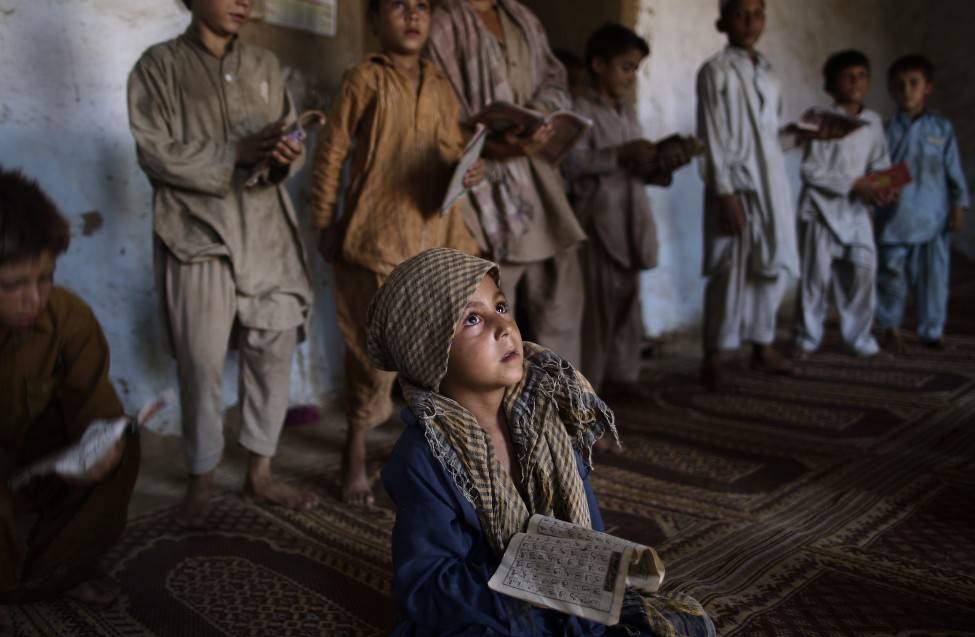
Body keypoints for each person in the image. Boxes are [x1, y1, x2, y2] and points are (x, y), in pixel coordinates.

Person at [370, 247, 715, 637]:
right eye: (472, 319)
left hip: (557, 591)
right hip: (486, 606)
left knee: (677, 622)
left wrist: (588, 582)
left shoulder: (545, 415)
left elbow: (588, 535)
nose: (503, 328)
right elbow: (427, 585)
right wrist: (533, 590)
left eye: (500, 307)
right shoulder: (422, 457)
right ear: (428, 354)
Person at [127, 0, 317, 527]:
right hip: (196, 231)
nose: (243, 2)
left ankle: (260, 474)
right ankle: (201, 482)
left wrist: (285, 153)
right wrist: (233, 152)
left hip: (265, 228)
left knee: (272, 347)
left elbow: (292, 149)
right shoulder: (157, 66)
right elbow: (154, 151)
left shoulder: (263, 65)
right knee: (201, 359)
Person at [311, 0, 483, 506]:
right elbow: (332, 152)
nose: (412, 15)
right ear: (373, 20)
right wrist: (324, 220)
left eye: (422, 6)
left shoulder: (441, 81)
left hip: (437, 235)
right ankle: (355, 448)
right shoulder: (363, 78)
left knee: (442, 350)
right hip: (376, 236)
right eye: (397, 6)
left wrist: (473, 172)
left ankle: (431, 451)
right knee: (372, 354)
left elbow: (453, 153)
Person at [0, 168, 141, 633]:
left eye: (45, 278)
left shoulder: (66, 318)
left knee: (122, 439)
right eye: (13, 285)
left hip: (25, 459)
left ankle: (51, 574)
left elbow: (95, 407)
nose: (34, 299)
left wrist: (101, 446)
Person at [427, 0, 588, 370]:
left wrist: (539, 116)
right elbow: (439, 112)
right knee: (489, 311)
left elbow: (554, 80)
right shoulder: (443, 24)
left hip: (538, 179)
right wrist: (498, 144)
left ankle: (565, 407)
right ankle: (489, 416)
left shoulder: (521, 17)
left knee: (560, 302)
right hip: (482, 183)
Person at [567, 23, 689, 395]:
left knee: (625, 309)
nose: (631, 76)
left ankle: (624, 377)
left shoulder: (626, 112)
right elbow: (572, 164)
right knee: (598, 315)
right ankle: (589, 390)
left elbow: (632, 165)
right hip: (599, 222)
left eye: (636, 69)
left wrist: (658, 164)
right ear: (599, 65)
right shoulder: (579, 110)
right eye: (626, 67)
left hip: (630, 219)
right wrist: (620, 154)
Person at [696, 0, 805, 391]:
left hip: (771, 186)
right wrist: (724, 193)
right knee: (731, 270)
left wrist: (801, 135)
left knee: (768, 267)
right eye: (740, 13)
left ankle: (763, 345)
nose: (750, 22)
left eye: (757, 13)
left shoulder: (769, 74)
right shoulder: (715, 71)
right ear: (722, 21)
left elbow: (768, 138)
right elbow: (711, 137)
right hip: (736, 186)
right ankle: (715, 358)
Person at [792, 50, 896, 359]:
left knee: (862, 274)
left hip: (856, 211)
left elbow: (880, 162)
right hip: (819, 211)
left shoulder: (873, 121)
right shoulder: (819, 120)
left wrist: (883, 189)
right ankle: (806, 340)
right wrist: (854, 184)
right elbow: (810, 170)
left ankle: (860, 339)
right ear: (829, 86)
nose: (855, 82)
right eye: (847, 76)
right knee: (815, 279)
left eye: (861, 75)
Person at [875, 54, 970, 352]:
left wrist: (958, 205)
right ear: (891, 89)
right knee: (890, 277)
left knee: (933, 279)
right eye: (899, 85)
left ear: (927, 87)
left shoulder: (941, 129)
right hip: (894, 219)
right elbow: (876, 172)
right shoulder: (885, 130)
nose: (907, 90)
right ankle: (890, 326)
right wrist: (879, 192)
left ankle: (931, 330)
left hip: (932, 217)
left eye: (914, 83)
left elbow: (953, 171)